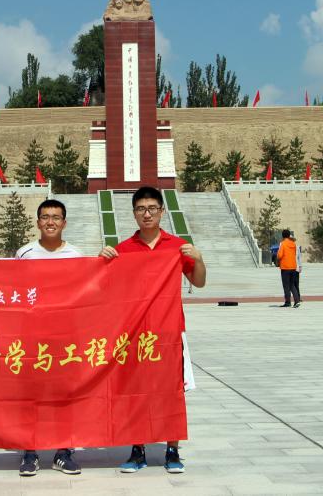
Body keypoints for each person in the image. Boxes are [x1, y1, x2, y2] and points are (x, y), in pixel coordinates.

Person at [98, 186, 207, 474]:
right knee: (135, 391)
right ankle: (138, 450)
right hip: (134, 334)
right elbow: (104, 289)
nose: (146, 214)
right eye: (140, 209)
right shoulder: (123, 250)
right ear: (134, 213)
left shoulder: (177, 247)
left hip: (169, 332)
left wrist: (198, 258)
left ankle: (172, 449)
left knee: (171, 391)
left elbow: (198, 282)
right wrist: (102, 262)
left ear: (162, 211)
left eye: (152, 209)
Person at [13, 199, 84, 477]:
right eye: (45, 217)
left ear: (64, 223)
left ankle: (63, 452)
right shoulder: (25, 253)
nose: (50, 222)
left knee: (64, 395)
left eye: (55, 217)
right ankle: (29, 451)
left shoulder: (76, 255)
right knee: (31, 395)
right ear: (37, 222)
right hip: (32, 336)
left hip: (65, 337)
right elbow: (14, 291)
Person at [277, 228, 301, 308]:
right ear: (289, 235)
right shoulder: (293, 244)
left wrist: (278, 257)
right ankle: (297, 301)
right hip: (293, 266)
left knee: (286, 285)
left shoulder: (283, 243)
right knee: (292, 285)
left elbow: (280, 255)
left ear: (283, 236)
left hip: (285, 267)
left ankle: (288, 302)